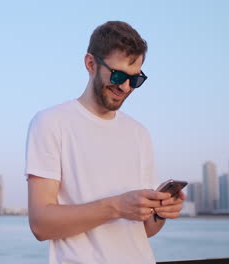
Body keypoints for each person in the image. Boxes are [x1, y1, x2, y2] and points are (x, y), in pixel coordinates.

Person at [25, 21, 186, 264]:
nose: (125, 87)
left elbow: (144, 231)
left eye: (135, 79)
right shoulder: (50, 123)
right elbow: (41, 224)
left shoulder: (139, 133)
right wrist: (118, 206)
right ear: (90, 64)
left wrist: (161, 213)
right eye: (118, 75)